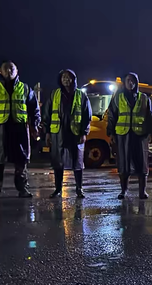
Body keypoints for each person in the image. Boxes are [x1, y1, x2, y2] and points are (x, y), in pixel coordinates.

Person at [44, 70, 92, 198]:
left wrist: (84, 133)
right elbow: (47, 114)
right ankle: (58, 189)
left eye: (68, 77)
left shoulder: (81, 96)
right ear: (60, 79)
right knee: (57, 163)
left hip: (75, 133)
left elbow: (87, 115)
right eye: (63, 77)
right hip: (57, 132)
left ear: (73, 79)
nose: (66, 79)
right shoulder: (54, 94)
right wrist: (47, 133)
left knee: (77, 162)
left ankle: (79, 189)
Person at [107, 72, 152, 199]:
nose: (131, 83)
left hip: (140, 135)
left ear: (136, 83)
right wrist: (111, 132)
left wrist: (151, 133)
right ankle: (123, 190)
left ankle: (142, 191)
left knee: (142, 163)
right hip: (123, 135)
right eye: (128, 80)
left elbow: (150, 116)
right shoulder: (118, 97)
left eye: (133, 81)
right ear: (124, 82)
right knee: (123, 163)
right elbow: (112, 115)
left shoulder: (144, 98)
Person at [0, 61, 41, 197]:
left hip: (19, 129)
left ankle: (22, 189)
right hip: (1, 129)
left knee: (21, 160)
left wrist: (35, 125)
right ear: (1, 72)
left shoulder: (25, 88)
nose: (9, 71)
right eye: (6, 69)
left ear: (17, 71)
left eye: (11, 68)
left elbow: (34, 109)